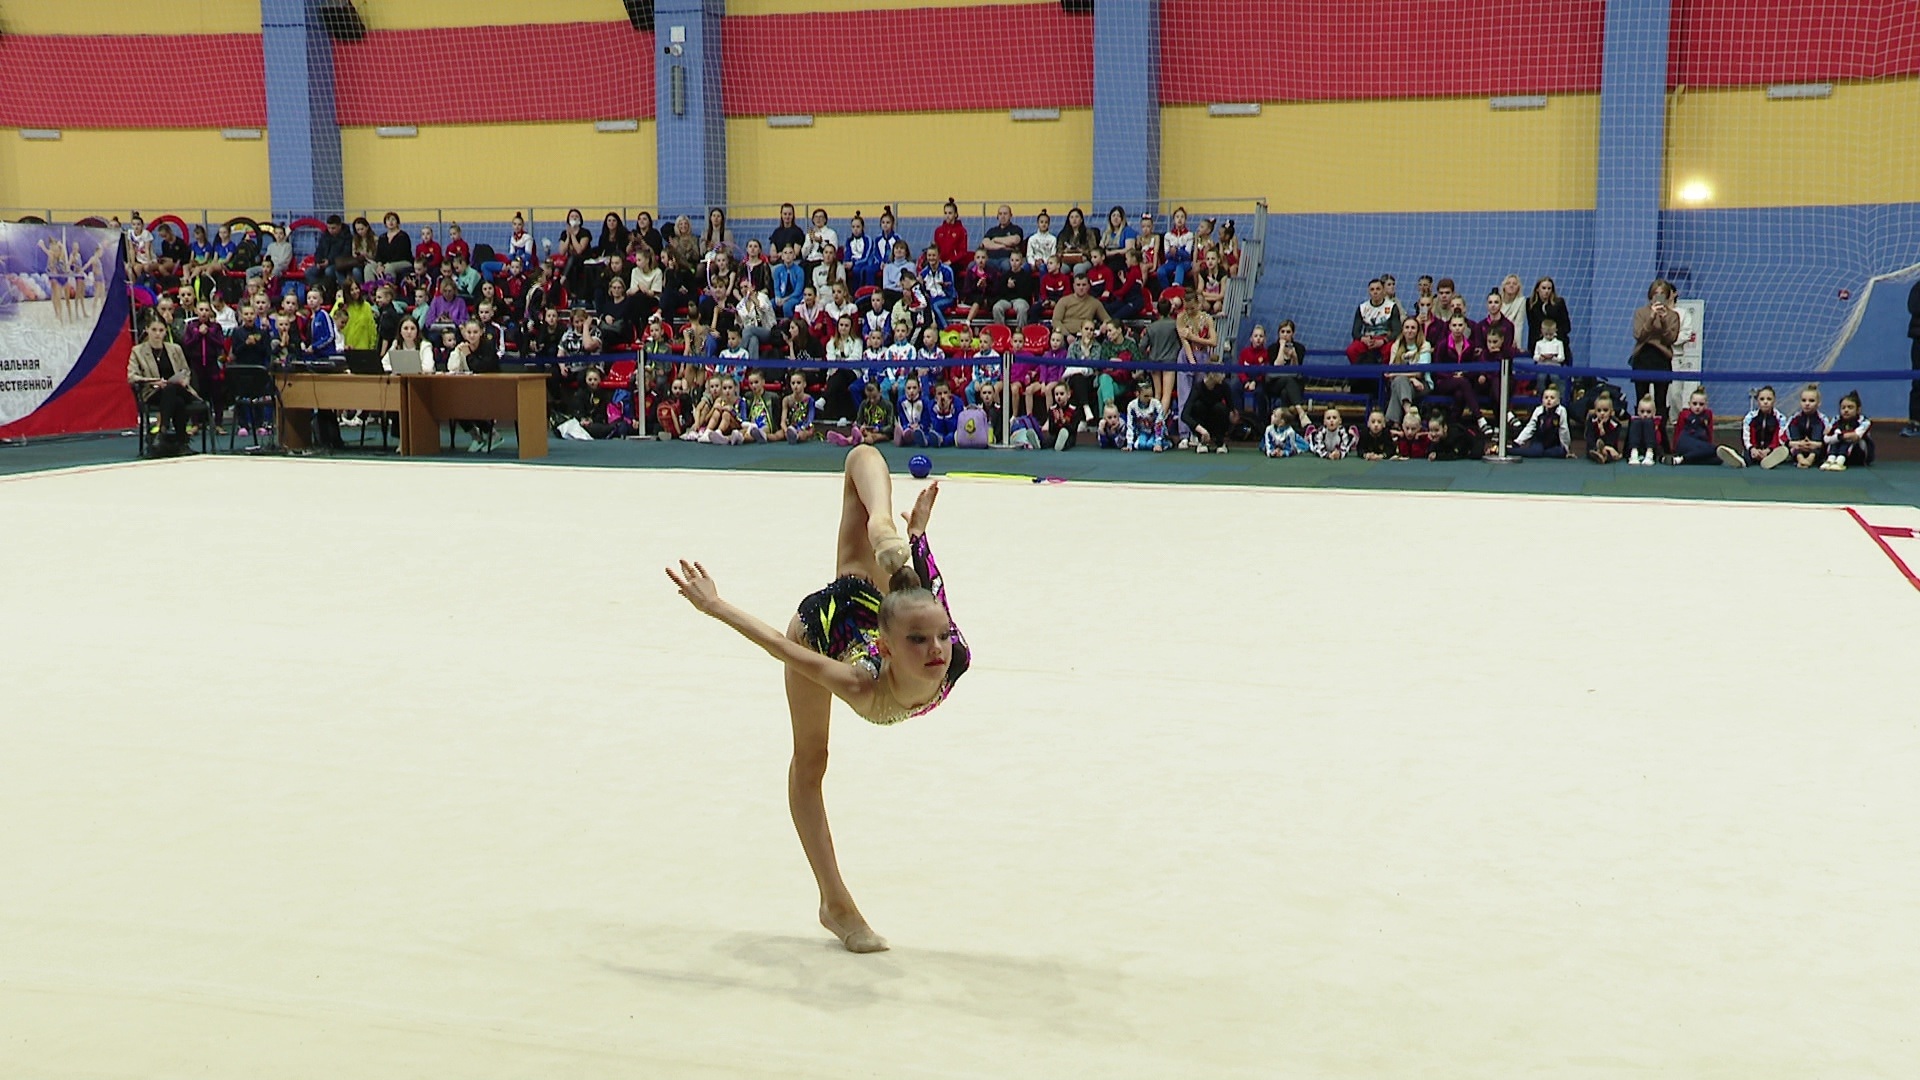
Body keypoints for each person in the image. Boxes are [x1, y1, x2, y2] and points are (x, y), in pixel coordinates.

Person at [665, 448, 965, 953]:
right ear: (892, 648)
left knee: (862, 456)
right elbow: (782, 649)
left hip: (874, 602)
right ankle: (835, 903)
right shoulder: (861, 687)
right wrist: (715, 606)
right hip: (821, 631)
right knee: (811, 761)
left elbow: (928, 590)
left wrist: (915, 537)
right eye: (923, 642)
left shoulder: (948, 646)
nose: (937, 650)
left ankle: (883, 530)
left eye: (939, 639)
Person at [128, 318, 197, 454]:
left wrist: (184, 380)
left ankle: (163, 431)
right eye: (154, 330)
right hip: (154, 392)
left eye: (161, 330)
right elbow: (131, 377)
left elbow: (186, 370)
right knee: (178, 401)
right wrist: (154, 381)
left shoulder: (175, 349)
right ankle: (182, 442)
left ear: (166, 332)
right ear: (147, 330)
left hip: (178, 388)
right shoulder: (137, 351)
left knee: (173, 389)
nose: (157, 334)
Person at [1631, 279, 1682, 425]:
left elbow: (1670, 338)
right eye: (1655, 294)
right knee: (1641, 397)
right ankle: (1639, 430)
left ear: (1667, 296)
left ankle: (1660, 434)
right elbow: (1639, 335)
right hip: (1643, 356)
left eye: (1661, 294)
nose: (1658, 297)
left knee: (1661, 399)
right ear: (1650, 295)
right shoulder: (1641, 313)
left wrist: (1664, 319)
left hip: (1662, 357)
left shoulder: (1673, 316)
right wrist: (1651, 317)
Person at [1181, 368, 1236, 453]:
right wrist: (1202, 431)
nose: (1224, 376)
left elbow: (1231, 409)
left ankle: (1220, 442)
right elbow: (1184, 415)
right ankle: (1202, 442)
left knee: (1220, 407)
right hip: (1202, 425)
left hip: (1217, 422)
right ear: (1212, 375)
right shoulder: (1198, 387)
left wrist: (1233, 415)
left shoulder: (1224, 386)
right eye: (1221, 373)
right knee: (1198, 406)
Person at [1738, 385, 1791, 469]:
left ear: (1774, 401)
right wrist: (1752, 449)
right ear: (1757, 401)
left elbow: (1780, 437)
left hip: (1771, 451)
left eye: (1769, 399)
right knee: (1747, 457)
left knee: (1782, 451)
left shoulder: (1781, 418)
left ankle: (1768, 460)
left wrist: (1768, 450)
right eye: (1762, 399)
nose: (1765, 402)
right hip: (1754, 450)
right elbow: (1746, 436)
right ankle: (1741, 461)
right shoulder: (1750, 417)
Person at [1512, 387, 1572, 458]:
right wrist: (1518, 441)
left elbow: (1564, 430)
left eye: (1552, 398)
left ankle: (1541, 453)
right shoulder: (1538, 410)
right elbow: (1530, 427)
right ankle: (1509, 450)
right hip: (1539, 441)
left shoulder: (1561, 411)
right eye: (1546, 398)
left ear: (1558, 401)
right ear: (1542, 400)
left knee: (1561, 452)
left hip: (1554, 443)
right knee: (1536, 451)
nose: (1549, 400)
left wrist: (1566, 448)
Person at [1823, 389, 1873, 470]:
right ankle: (1830, 460)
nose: (1846, 410)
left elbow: (1855, 436)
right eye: (1843, 408)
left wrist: (1840, 436)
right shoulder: (1836, 419)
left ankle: (1840, 461)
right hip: (1839, 449)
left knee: (1847, 439)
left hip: (1859, 454)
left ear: (1858, 410)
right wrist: (1837, 436)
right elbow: (1826, 436)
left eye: (1850, 407)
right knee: (1835, 440)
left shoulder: (1864, 421)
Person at [1785, 386, 1831, 469]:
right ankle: (1800, 459)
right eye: (1804, 400)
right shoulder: (1794, 418)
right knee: (1793, 445)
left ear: (1819, 403)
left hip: (1816, 449)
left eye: (1811, 401)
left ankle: (1810, 460)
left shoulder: (1822, 419)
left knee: (1818, 431)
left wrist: (1813, 444)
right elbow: (1785, 439)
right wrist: (1799, 444)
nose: (1807, 403)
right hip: (1799, 448)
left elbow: (1827, 440)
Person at [1124, 377, 1169, 452]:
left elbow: (1159, 424)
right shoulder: (1132, 406)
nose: (1149, 398)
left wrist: (1158, 443)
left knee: (1150, 445)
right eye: (1146, 396)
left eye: (1151, 395)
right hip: (1142, 431)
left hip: (1155, 432)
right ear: (1137, 394)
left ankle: (1165, 442)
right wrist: (1129, 443)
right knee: (1140, 445)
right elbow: (1130, 425)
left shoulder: (1156, 404)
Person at [1583, 391, 1625, 464]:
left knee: (1611, 453)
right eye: (1599, 410)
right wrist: (1597, 448)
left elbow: (1612, 441)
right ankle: (1599, 455)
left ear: (1611, 411)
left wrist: (1603, 432)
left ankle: (1603, 456)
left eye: (1605, 410)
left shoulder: (1615, 424)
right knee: (1591, 451)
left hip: (1609, 447)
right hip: (1594, 448)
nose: (1602, 413)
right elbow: (1589, 439)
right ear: (1595, 411)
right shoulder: (1591, 421)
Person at [1626, 394, 1663, 466]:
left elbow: (1659, 440)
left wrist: (1656, 429)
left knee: (1648, 422)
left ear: (1654, 412)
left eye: (1648, 412)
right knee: (1636, 422)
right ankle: (1634, 453)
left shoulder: (1657, 422)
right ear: (1638, 411)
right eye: (1642, 411)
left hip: (1652, 448)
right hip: (1639, 447)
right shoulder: (1635, 422)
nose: (1645, 414)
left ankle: (1649, 454)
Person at [1906, 279, 1920, 437]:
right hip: (1919, 339)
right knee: (1918, 381)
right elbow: (1914, 307)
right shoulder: (1918, 287)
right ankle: (1915, 422)